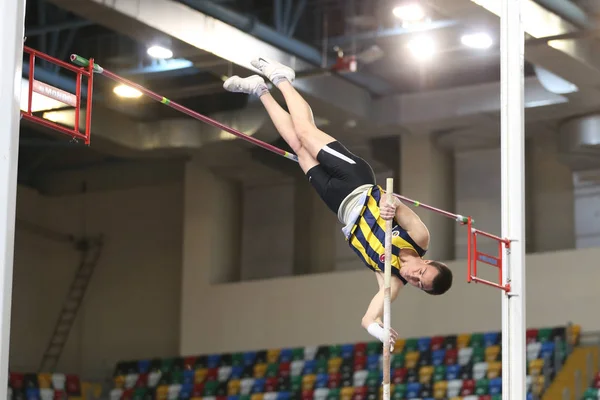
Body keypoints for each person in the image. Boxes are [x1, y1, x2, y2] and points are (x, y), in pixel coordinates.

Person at [223, 57, 453, 349]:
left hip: (338, 204)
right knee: (306, 133)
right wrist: (389, 206)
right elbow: (400, 205)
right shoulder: (420, 239)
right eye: (421, 273)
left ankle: (259, 89)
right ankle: (281, 77)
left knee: (296, 144)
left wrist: (377, 329)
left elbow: (368, 318)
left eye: (419, 284)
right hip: (356, 180)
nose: (414, 277)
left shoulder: (391, 281)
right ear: (428, 261)